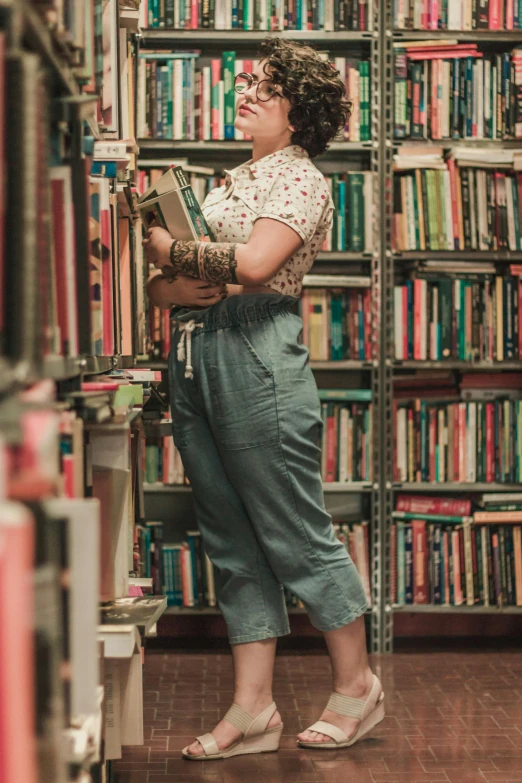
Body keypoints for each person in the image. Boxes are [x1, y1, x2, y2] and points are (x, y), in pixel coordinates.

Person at [143, 37, 384, 762]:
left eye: (266, 90)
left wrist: (166, 251)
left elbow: (252, 267)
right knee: (232, 539)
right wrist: (169, 283)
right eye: (247, 83)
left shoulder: (302, 181)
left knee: (295, 529)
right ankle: (253, 709)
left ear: (298, 113)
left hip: (256, 357)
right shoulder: (226, 184)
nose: (245, 94)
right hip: (195, 355)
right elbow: (168, 289)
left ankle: (358, 685)